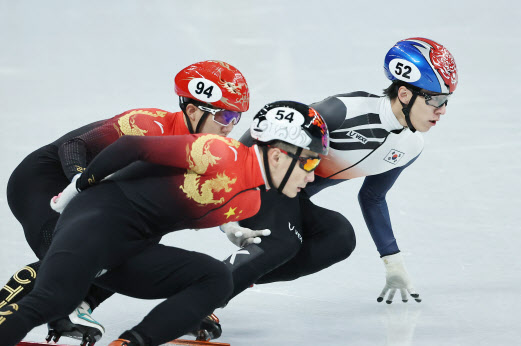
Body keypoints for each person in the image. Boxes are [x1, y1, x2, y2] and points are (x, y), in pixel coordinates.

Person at [0, 100, 329, 346]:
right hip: (97, 221)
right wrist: (77, 187)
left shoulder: (250, 200)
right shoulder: (219, 151)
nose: (313, 173)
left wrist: (230, 225)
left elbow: (194, 204)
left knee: (214, 279)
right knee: (52, 303)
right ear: (276, 156)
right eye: (310, 160)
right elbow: (132, 146)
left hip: (129, 244)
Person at [213, 37, 459, 333]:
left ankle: (208, 282)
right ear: (405, 93)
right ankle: (202, 298)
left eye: (446, 101)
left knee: (338, 238)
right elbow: (261, 132)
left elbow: (373, 197)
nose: (442, 110)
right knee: (287, 242)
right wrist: (226, 208)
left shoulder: (411, 146)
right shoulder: (342, 110)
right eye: (435, 99)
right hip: (257, 185)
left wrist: (392, 260)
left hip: (293, 196)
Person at [0, 60, 249, 345]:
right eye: (226, 116)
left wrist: (230, 225)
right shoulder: (147, 124)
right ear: (192, 110)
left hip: (93, 198)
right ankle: (20, 306)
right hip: (43, 181)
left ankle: (81, 303)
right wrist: (79, 184)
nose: (230, 127)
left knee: (136, 242)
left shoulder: (203, 154)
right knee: (73, 253)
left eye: (236, 118)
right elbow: (73, 146)